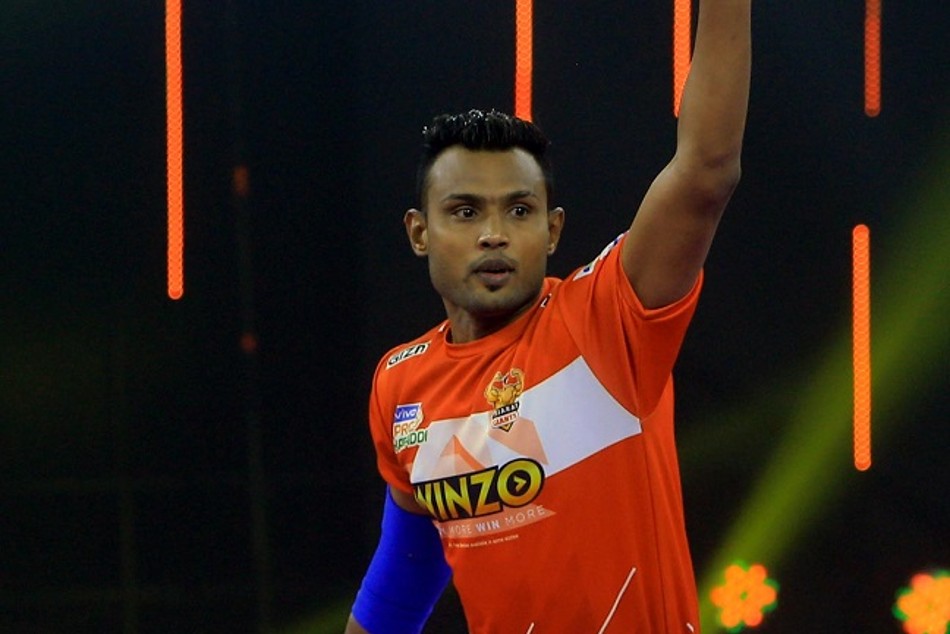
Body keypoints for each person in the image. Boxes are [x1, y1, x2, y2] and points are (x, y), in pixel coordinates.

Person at [346, 0, 751, 631]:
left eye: (519, 210)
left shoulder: (605, 321)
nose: (494, 234)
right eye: (465, 212)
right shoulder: (400, 383)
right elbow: (404, 575)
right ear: (419, 232)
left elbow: (705, 171)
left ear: (553, 229)